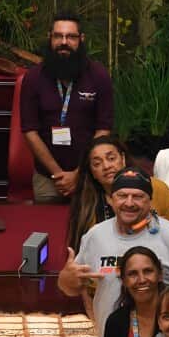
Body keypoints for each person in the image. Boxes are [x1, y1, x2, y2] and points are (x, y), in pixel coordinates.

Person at [58, 168, 169, 337]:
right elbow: (70, 287)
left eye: (138, 196)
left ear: (150, 201)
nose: (129, 203)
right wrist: (66, 279)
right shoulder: (95, 236)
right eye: (122, 196)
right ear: (111, 200)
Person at [19, 12, 114, 203]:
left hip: (90, 174)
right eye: (58, 36)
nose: (64, 42)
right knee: (44, 226)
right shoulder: (33, 78)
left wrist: (79, 174)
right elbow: (30, 131)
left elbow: (103, 129)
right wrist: (58, 175)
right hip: (49, 177)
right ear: (50, 38)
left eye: (70, 37)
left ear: (81, 39)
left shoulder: (99, 75)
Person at [65, 135, 169, 251]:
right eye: (97, 163)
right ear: (92, 172)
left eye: (111, 158)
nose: (106, 166)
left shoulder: (155, 188)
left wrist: (161, 227)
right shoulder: (86, 202)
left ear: (122, 159)